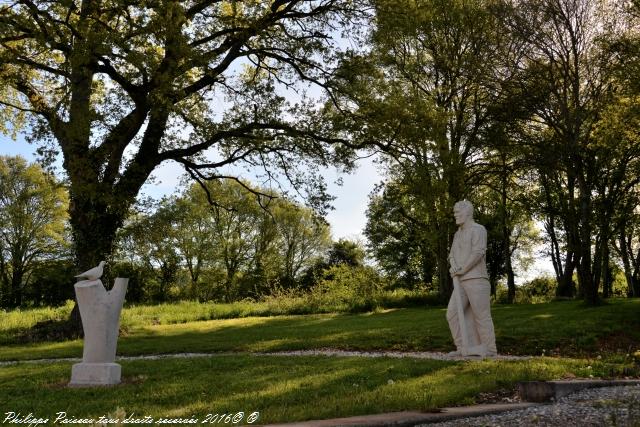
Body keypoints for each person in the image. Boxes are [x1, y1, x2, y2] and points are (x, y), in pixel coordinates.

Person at [446, 200, 497, 357]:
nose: (455, 215)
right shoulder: (457, 234)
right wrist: (454, 266)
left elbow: (478, 252)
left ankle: (489, 349)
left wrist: (462, 269)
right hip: (460, 281)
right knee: (452, 314)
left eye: (457, 212)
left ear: (467, 213)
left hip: (477, 279)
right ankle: (463, 347)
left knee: (481, 315)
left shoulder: (478, 229)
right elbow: (452, 255)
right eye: (454, 212)